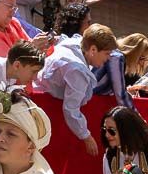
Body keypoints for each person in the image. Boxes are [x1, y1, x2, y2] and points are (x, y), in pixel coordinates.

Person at [38, 22, 116, 157]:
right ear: (93, 50)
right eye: (107, 53)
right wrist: (86, 136)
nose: (108, 58)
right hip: (46, 109)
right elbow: (71, 109)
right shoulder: (77, 70)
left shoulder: (77, 43)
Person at [93, 32, 148, 110]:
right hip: (89, 101)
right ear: (134, 53)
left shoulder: (116, 56)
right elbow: (120, 95)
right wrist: (137, 118)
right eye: (142, 58)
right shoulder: (116, 58)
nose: (141, 63)